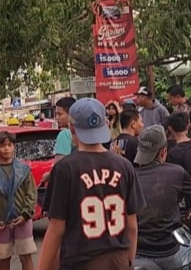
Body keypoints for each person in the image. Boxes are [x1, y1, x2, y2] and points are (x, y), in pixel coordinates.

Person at [38, 98, 145, 270]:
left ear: (72, 128)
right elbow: (132, 225)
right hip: (118, 259)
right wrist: (129, 258)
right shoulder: (124, 166)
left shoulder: (65, 169)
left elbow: (56, 229)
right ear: (104, 125)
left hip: (80, 261)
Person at [133, 125, 191, 270]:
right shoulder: (176, 173)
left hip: (136, 253)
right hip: (169, 252)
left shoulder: (129, 176)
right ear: (163, 151)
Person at [0, 132, 37, 270]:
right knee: (3, 257)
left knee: (26, 255)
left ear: (14, 147)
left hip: (23, 218)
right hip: (2, 221)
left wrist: (26, 214)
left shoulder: (23, 169)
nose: (6, 149)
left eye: (9, 145)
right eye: (2, 146)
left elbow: (31, 193)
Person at [52, 97, 77, 162]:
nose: (56, 118)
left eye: (60, 114)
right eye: (56, 114)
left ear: (71, 114)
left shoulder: (64, 135)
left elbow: (59, 166)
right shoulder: (85, 132)